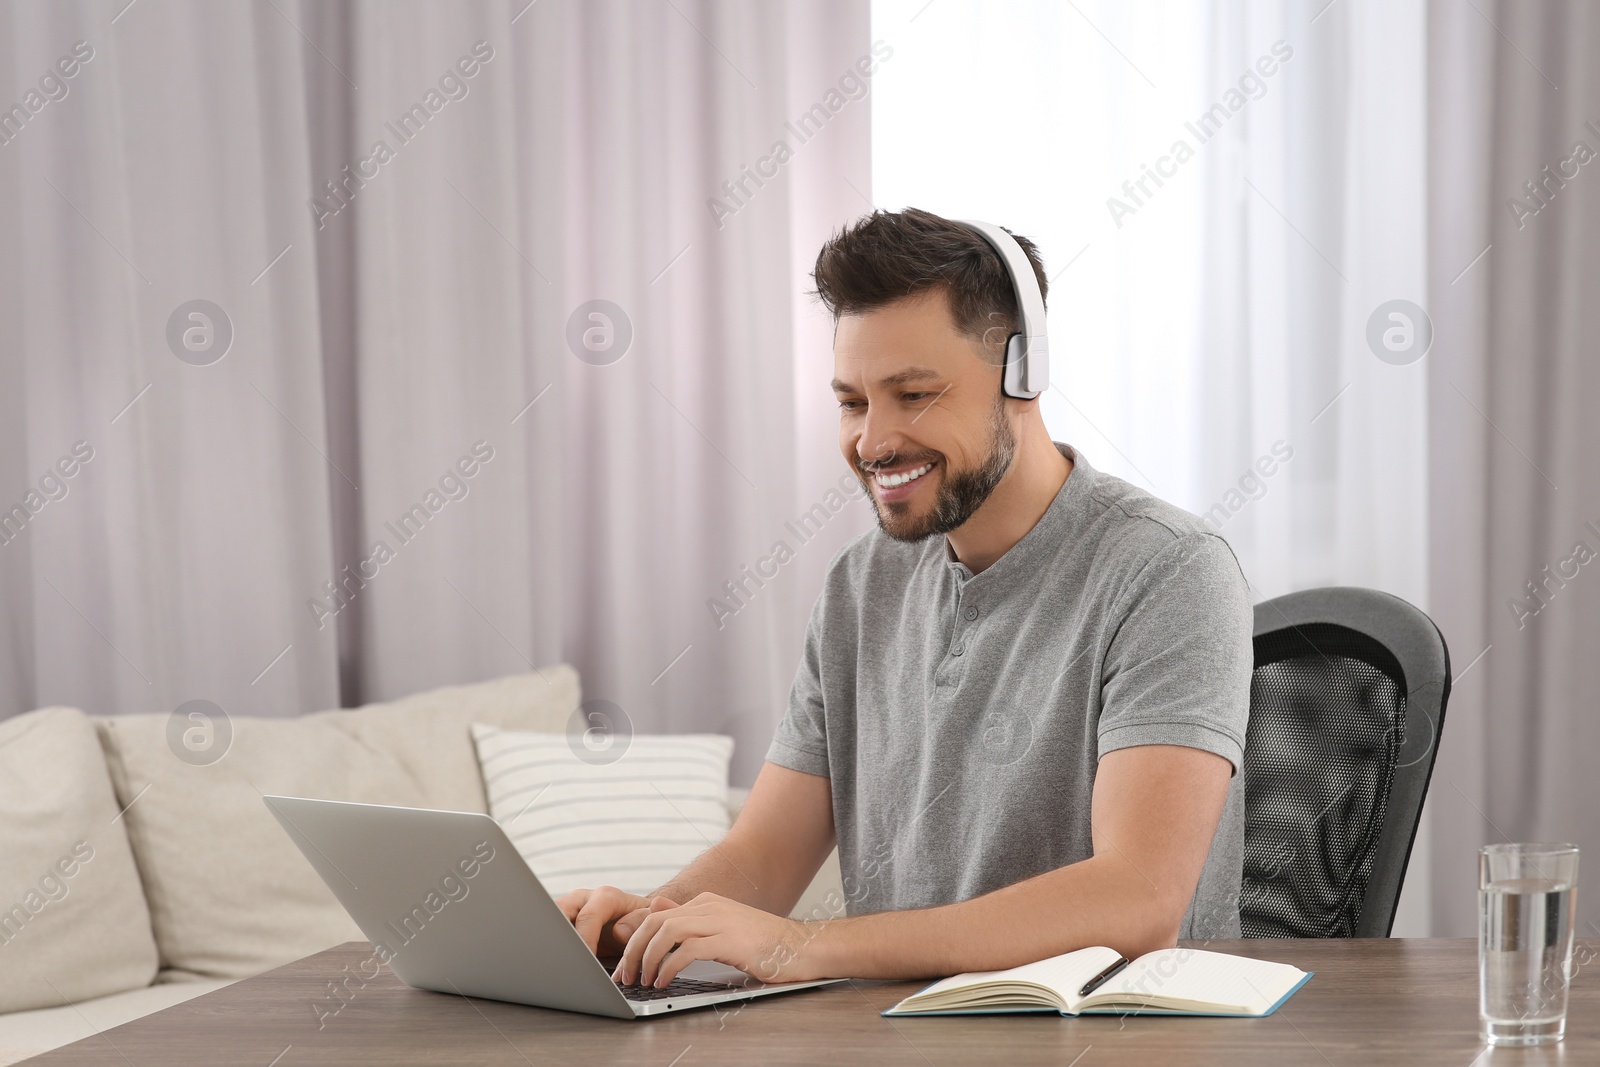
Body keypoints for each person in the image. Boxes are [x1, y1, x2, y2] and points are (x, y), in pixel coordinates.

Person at [559, 207, 1253, 990]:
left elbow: (1136, 899)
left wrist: (803, 947)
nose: (872, 440)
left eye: (913, 394)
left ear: (1023, 375)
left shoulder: (1168, 572)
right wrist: (643, 921)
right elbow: (764, 855)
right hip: (896, 1035)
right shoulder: (863, 584)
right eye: (853, 402)